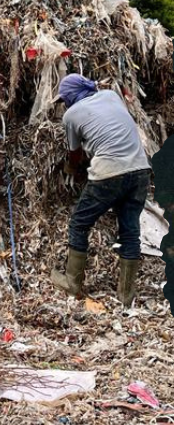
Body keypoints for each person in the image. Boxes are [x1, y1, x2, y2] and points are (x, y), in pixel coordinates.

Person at [50, 73, 152, 308]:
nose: (65, 104)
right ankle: (126, 296)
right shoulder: (110, 95)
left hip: (109, 173)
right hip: (140, 170)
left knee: (79, 223)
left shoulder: (71, 115)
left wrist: (72, 170)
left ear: (71, 97)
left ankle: (72, 283)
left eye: (65, 99)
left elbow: (75, 153)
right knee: (129, 231)